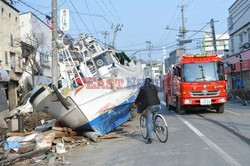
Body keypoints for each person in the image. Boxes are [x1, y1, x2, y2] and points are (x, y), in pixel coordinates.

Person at [135, 78, 161, 144]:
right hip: (158, 104)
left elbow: (139, 97)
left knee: (149, 122)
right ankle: (157, 126)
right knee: (155, 117)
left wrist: (135, 103)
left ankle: (149, 138)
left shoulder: (143, 88)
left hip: (150, 106)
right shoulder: (154, 87)